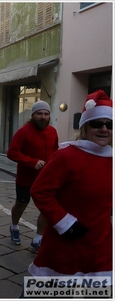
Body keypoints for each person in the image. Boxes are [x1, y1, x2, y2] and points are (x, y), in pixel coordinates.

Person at [28, 90, 112, 279]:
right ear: (85, 127)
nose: (104, 129)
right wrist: (65, 223)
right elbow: (40, 191)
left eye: (109, 124)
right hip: (66, 242)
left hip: (101, 245)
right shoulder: (67, 156)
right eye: (97, 124)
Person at [7, 100, 59, 253]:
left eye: (46, 114)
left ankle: (37, 239)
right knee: (21, 205)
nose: (43, 117)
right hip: (26, 179)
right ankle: (14, 226)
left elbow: (55, 149)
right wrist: (31, 162)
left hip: (46, 179)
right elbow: (12, 152)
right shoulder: (23, 132)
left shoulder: (52, 132)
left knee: (46, 209)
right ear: (33, 115)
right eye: (39, 114)